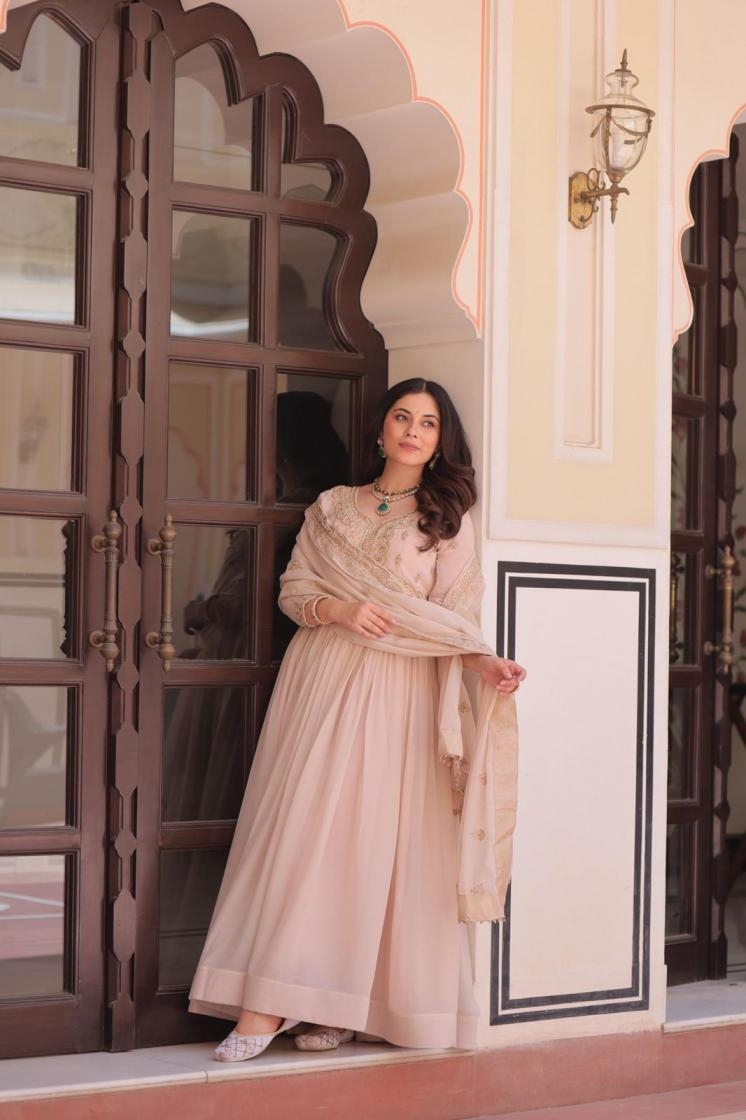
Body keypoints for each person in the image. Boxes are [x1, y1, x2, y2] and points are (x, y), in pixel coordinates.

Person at [188, 377, 526, 1062]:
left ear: (441, 441)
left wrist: (486, 663)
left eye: (428, 423)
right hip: (322, 678)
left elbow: (454, 618)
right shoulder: (332, 506)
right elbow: (293, 591)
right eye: (403, 417)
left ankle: (345, 1004)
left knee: (374, 845)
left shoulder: (447, 519)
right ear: (380, 429)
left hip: (401, 690)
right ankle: (268, 1002)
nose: (413, 431)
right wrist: (340, 610)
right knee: (304, 832)